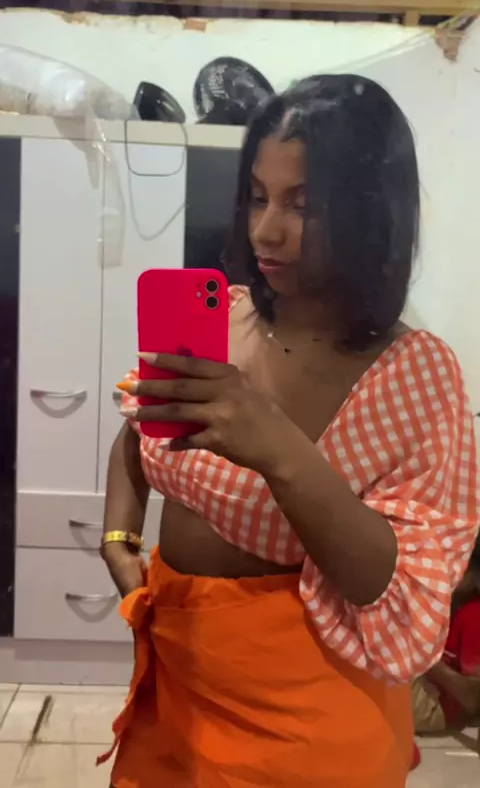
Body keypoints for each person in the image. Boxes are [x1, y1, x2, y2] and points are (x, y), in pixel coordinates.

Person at [99, 75, 479, 788]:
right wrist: (119, 539)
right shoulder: (226, 317)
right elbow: (138, 428)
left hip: (308, 724)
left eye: (302, 205)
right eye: (257, 196)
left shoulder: (416, 373)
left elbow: (400, 588)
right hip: (175, 684)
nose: (265, 231)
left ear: (371, 212)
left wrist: (277, 448)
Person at [413, 532, 480, 749]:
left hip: (439, 706)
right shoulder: (459, 605)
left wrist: (423, 659)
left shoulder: (473, 614)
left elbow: (472, 694)